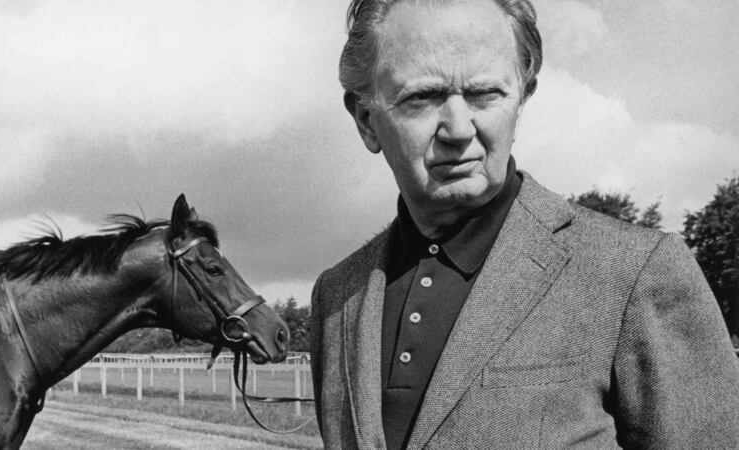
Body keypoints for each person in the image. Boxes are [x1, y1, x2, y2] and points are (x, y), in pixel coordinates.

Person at [309, 0, 739, 448]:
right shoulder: (336, 295)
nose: (458, 129)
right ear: (366, 121)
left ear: (522, 97)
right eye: (423, 97)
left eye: (484, 94)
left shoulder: (637, 273)